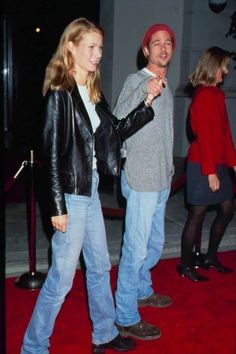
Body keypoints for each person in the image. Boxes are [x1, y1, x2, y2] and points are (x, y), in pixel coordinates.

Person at [20, 17, 161, 354]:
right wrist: (57, 208)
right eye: (91, 47)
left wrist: (147, 103)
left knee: (99, 267)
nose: (98, 54)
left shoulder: (92, 93)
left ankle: (104, 334)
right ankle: (33, 346)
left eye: (100, 47)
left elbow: (116, 132)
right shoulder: (61, 94)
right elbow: (50, 155)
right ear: (71, 47)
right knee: (61, 279)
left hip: (90, 189)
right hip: (70, 194)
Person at [113, 23, 176, 340]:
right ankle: (125, 315)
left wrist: (169, 171)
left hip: (161, 178)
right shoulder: (136, 81)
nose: (163, 48)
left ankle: (142, 290)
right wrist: (144, 93)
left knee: (153, 246)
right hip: (140, 179)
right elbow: (118, 120)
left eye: (168, 43)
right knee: (135, 251)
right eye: (156, 43)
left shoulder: (168, 84)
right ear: (146, 50)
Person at [177, 47, 236, 282]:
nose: (227, 70)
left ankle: (210, 257)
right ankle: (185, 266)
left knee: (227, 210)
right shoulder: (203, 95)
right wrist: (210, 172)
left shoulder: (217, 95)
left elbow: (224, 134)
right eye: (224, 65)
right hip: (202, 163)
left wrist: (233, 162)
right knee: (197, 215)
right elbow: (205, 137)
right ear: (214, 66)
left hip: (217, 162)